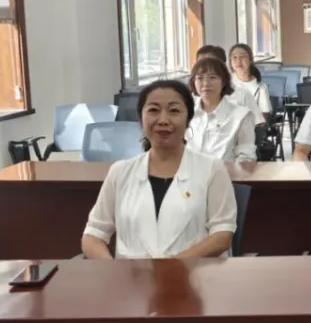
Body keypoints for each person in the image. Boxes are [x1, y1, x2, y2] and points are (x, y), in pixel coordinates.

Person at [81, 79, 238, 259]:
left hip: (192, 273)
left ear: (188, 119)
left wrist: (172, 267)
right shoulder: (120, 171)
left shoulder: (212, 169)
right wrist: (112, 269)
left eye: (174, 111)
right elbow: (93, 235)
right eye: (153, 110)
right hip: (130, 275)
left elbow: (222, 235)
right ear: (141, 118)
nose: (163, 120)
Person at [187, 56, 256, 162]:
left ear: (223, 82)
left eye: (212, 77)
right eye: (200, 78)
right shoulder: (186, 113)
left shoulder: (241, 116)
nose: (205, 83)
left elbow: (246, 158)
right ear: (194, 82)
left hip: (225, 171)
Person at [195, 44, 265, 126]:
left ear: (223, 65)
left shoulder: (242, 96)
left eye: (210, 64)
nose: (203, 68)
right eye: (200, 64)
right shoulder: (192, 99)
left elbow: (258, 126)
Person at [228, 43, 272, 118]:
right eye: (234, 57)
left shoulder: (261, 88)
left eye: (242, 57)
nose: (238, 61)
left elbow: (264, 117)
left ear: (250, 60)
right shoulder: (224, 82)